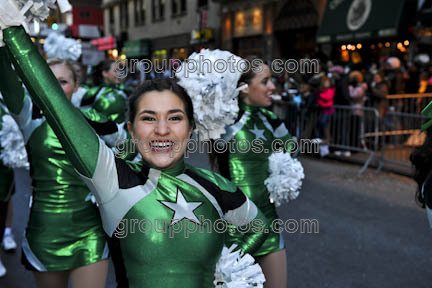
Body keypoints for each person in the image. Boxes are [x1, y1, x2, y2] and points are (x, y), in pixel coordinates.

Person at [3, 26, 270, 288]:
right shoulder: (114, 180)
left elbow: (260, 226)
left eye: (175, 118)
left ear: (191, 128)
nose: (162, 130)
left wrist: (229, 266)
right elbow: (54, 104)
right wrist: (9, 28)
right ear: (131, 130)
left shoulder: (216, 186)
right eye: (148, 118)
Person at [0, 50, 128, 288]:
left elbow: (130, 151)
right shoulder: (29, 118)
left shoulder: (93, 119)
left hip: (90, 231)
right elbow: (5, 78)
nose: (55, 87)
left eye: (63, 81)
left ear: (77, 86)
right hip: (45, 231)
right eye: (48, 80)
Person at [210, 57, 291, 288]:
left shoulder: (272, 120)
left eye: (272, 80)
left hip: (270, 224)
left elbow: (292, 152)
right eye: (265, 81)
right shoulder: (226, 123)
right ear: (244, 88)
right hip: (233, 230)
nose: (272, 87)